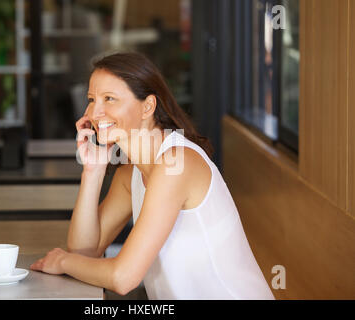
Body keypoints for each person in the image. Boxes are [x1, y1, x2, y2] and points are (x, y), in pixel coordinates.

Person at [31, 52, 275, 300]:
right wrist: (93, 171)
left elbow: (123, 278)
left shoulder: (176, 164)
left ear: (147, 107)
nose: (95, 112)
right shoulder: (132, 173)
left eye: (110, 99)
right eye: (92, 99)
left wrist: (62, 262)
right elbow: (84, 253)